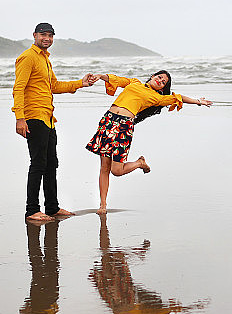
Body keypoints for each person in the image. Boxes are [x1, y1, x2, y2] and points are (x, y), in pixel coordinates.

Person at [86, 70, 212, 214]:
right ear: (153, 76)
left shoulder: (157, 98)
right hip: (108, 121)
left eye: (163, 83)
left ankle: (140, 163)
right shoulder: (134, 82)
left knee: (117, 171)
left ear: (162, 89)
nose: (160, 81)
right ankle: (103, 205)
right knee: (104, 167)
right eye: (159, 77)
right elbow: (117, 80)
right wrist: (101, 76)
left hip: (124, 126)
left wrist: (198, 101)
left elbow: (178, 97)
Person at [12, 22, 94, 222]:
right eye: (43, 35)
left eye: (50, 35)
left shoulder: (46, 60)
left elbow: (53, 86)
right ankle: (32, 210)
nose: (47, 38)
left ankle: (52, 207)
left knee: (51, 165)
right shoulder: (28, 57)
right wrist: (20, 118)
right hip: (33, 117)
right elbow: (18, 88)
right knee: (38, 164)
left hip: (48, 118)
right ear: (34, 35)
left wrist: (80, 83)